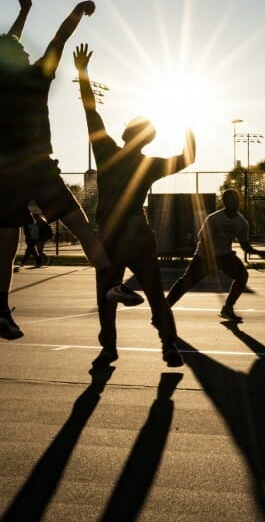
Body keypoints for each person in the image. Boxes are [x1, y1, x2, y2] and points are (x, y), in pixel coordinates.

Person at [0, 0, 123, 341]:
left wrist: (23, 15)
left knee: (7, 247)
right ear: (16, 58)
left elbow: (3, 48)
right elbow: (60, 39)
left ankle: (1, 310)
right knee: (82, 226)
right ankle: (110, 284)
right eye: (22, 51)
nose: (28, 53)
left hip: (8, 172)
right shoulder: (36, 76)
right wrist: (79, 9)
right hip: (40, 168)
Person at [74, 43, 195, 367]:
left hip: (111, 236)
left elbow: (91, 113)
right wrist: (186, 121)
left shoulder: (107, 153)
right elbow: (189, 158)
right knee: (155, 295)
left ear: (126, 133)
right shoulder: (150, 164)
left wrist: (83, 73)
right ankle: (169, 346)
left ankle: (109, 347)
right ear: (148, 139)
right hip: (139, 236)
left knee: (106, 295)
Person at [166, 189, 265, 322]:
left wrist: (257, 252)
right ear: (225, 203)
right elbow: (202, 237)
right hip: (205, 256)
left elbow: (244, 245)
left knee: (242, 275)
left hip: (224, 256)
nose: (235, 203)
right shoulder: (214, 218)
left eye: (236, 200)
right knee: (186, 282)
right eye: (231, 200)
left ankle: (227, 308)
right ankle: (163, 309)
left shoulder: (241, 223)